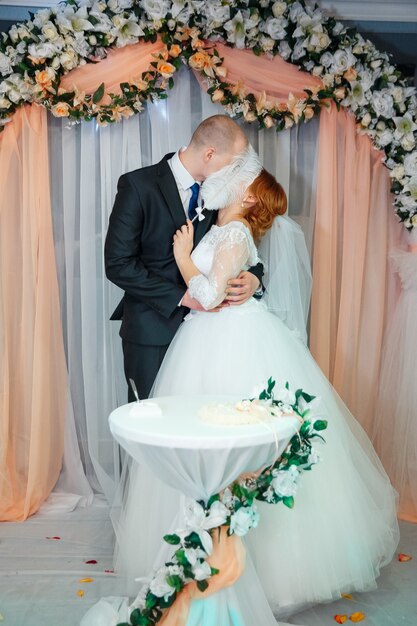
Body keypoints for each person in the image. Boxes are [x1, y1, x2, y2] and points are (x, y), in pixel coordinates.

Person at [115, 156, 399, 619]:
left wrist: (185, 256)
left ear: (247, 196)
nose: (221, 179)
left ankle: (243, 563)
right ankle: (205, 547)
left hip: (225, 337)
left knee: (232, 445)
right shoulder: (223, 226)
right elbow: (229, 272)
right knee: (207, 447)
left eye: (236, 178)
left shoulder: (232, 231)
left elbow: (208, 295)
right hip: (207, 335)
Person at [104, 115, 264, 401]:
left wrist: (255, 278)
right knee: (150, 426)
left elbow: (236, 242)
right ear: (210, 154)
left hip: (206, 338)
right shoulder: (138, 186)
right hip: (152, 331)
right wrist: (183, 297)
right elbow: (118, 264)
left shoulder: (220, 194)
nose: (233, 173)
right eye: (232, 165)